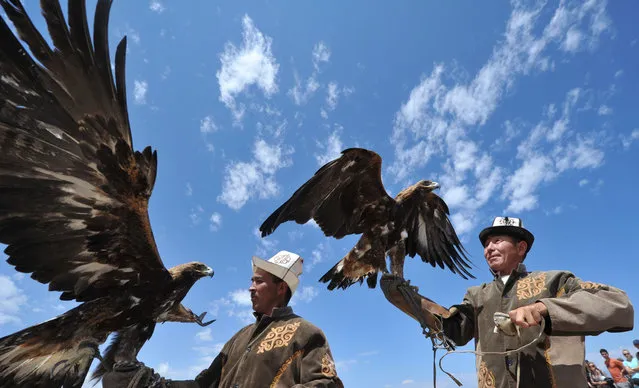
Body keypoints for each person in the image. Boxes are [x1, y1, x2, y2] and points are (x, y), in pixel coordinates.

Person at [380, 216, 635, 388]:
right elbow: (455, 329)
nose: (489, 248)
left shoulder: (554, 281)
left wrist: (544, 308)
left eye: (498, 241)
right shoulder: (476, 295)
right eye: (486, 244)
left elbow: (618, 304)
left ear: (521, 248)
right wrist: (409, 300)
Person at [102, 250, 344, 388]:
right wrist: (155, 386)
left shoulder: (306, 333)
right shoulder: (239, 338)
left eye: (258, 281)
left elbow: (325, 386)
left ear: (281, 288)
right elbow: (203, 385)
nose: (250, 288)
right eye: (251, 281)